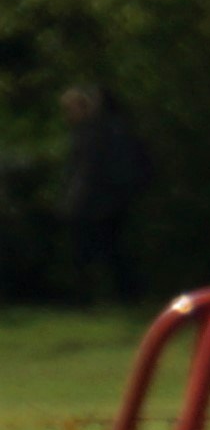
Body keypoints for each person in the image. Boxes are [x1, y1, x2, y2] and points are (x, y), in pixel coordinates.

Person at [59, 84, 149, 309]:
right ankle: (126, 293)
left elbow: (87, 171)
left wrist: (73, 198)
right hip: (111, 200)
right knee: (112, 249)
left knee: (92, 250)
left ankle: (88, 296)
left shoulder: (95, 133)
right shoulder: (114, 129)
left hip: (96, 202)